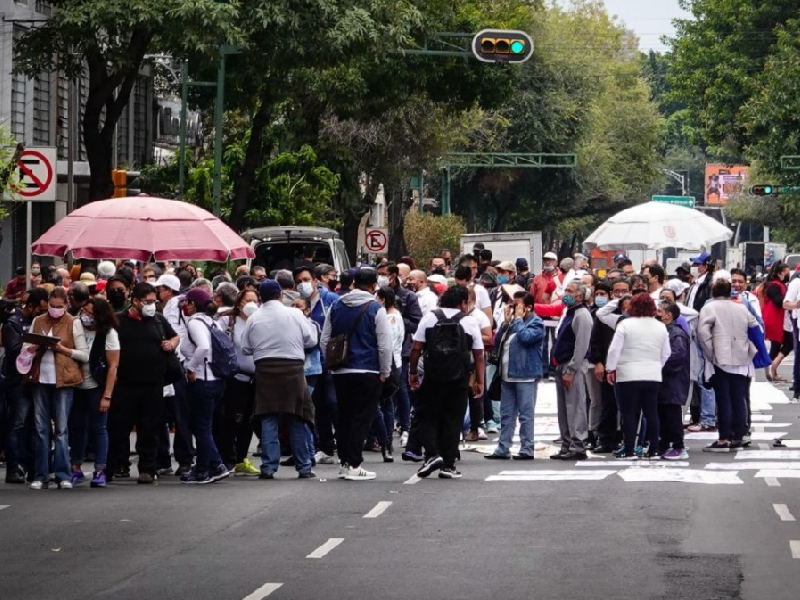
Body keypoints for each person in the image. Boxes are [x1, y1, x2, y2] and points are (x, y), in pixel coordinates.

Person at [321, 267, 393, 481]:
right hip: (368, 369)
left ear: (352, 283)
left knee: (344, 416)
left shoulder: (336, 305)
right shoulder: (376, 309)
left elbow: (325, 339)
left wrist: (330, 364)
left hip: (341, 370)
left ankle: (345, 462)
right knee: (362, 418)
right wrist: (385, 371)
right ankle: (353, 463)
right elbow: (384, 345)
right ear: (373, 286)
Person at [244, 280, 318, 479]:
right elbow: (312, 339)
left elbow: (245, 348)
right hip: (293, 370)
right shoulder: (295, 314)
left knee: (268, 418)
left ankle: (268, 467)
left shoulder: (253, 318)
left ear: (260, 297)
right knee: (297, 417)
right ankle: (304, 466)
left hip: (265, 371)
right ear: (280, 295)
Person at [106, 283, 180, 485]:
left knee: (150, 427)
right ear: (135, 301)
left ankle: (147, 468)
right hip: (125, 384)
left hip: (153, 383)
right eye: (147, 301)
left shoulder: (157, 320)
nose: (150, 305)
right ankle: (115, 465)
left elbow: (175, 336)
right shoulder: (119, 322)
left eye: (153, 301)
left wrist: (171, 344)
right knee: (119, 427)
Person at [410, 285, 485, 479]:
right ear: (462, 302)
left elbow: (417, 347)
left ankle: (432, 453)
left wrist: (412, 373)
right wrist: (479, 381)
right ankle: (449, 465)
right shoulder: (469, 321)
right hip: (459, 377)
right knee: (453, 419)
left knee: (426, 415)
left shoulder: (430, 317)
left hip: (433, 375)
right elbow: (478, 354)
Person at [27, 287, 89, 489]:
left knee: (62, 430)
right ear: (47, 303)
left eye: (59, 307)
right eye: (52, 306)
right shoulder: (38, 321)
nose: (55, 310)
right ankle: (40, 474)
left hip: (64, 380)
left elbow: (83, 354)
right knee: (40, 429)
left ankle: (63, 473)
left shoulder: (74, 322)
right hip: (40, 379)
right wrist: (33, 347)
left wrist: (63, 349)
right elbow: (24, 349)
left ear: (66, 305)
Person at [605, 293, 670, 459]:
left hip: (628, 374)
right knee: (651, 412)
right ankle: (654, 449)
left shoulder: (625, 324)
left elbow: (614, 350)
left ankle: (629, 450)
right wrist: (656, 365)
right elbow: (666, 353)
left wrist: (611, 369)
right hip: (652, 374)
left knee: (629, 413)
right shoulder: (660, 326)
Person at [698, 277, 758, 452]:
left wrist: (710, 353)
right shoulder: (741, 308)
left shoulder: (709, 308)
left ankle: (724, 438)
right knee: (738, 398)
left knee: (723, 399)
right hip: (741, 356)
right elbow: (756, 327)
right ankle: (738, 436)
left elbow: (703, 334)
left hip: (720, 357)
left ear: (713, 293)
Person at [179, 288, 230, 484]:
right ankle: (216, 465)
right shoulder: (212, 321)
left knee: (201, 428)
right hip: (216, 381)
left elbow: (204, 347)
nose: (183, 306)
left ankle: (202, 470)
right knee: (201, 426)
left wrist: (191, 368)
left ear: (192, 304)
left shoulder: (195, 323)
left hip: (202, 381)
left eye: (186, 302)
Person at [486, 293, 544, 460]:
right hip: (507, 375)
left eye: (517, 305)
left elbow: (526, 338)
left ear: (528, 307)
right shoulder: (511, 323)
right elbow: (497, 343)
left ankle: (527, 448)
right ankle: (503, 448)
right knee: (506, 414)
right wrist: (505, 323)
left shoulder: (536, 323)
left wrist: (518, 320)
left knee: (526, 414)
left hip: (525, 375)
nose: (514, 308)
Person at [69, 297, 120, 488]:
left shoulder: (108, 333)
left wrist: (107, 395)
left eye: (91, 313)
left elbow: (113, 366)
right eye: (85, 311)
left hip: (96, 386)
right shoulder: (76, 327)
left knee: (99, 428)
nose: (86, 316)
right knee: (77, 427)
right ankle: (76, 467)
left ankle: (100, 470)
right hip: (76, 385)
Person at [2, 288, 49, 483]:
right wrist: (34, 345)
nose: (43, 313)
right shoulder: (13, 323)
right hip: (18, 380)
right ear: (31, 306)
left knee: (35, 424)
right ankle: (13, 467)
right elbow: (13, 350)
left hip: (37, 378)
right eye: (41, 309)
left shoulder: (40, 323)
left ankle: (33, 465)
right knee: (18, 423)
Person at [215, 289, 260, 476]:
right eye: (247, 300)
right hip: (235, 379)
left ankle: (241, 458)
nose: (250, 303)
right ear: (238, 302)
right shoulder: (227, 321)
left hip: (256, 379)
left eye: (254, 300)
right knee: (232, 419)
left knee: (249, 421)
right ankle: (228, 458)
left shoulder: (260, 321)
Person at [153, 274, 194, 476]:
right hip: (161, 366)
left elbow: (187, 334)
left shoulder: (180, 307)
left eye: (159, 289)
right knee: (160, 414)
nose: (157, 293)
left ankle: (185, 458)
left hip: (177, 366)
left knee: (179, 415)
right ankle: (163, 458)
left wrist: (187, 361)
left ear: (168, 290)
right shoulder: (160, 309)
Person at [550, 282, 593, 460]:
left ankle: (578, 444)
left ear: (580, 296)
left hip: (572, 364)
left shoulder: (582, 315)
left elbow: (581, 346)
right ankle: (567, 443)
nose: (565, 294)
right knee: (564, 407)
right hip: (562, 363)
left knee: (575, 406)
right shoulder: (569, 313)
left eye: (570, 291)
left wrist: (572, 369)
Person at [656, 300, 691, 460]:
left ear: (668, 315)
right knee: (662, 413)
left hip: (673, 381)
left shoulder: (676, 333)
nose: (656, 314)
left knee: (672, 413)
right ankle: (663, 444)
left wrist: (659, 366)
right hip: (663, 381)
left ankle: (678, 445)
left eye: (660, 311)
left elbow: (677, 357)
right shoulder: (663, 331)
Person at [374, 286, 405, 462]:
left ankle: (384, 439)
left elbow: (389, 344)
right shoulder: (394, 315)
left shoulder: (390, 318)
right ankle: (385, 439)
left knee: (383, 403)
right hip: (394, 363)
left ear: (383, 299)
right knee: (387, 404)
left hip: (390, 364)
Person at [763, 261, 791, 382]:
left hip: (777, 317)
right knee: (782, 343)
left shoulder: (778, 284)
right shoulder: (775, 285)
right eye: (786, 272)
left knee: (779, 343)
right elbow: (778, 301)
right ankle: (771, 367)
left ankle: (772, 367)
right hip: (774, 317)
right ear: (780, 273)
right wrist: (791, 297)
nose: (788, 274)